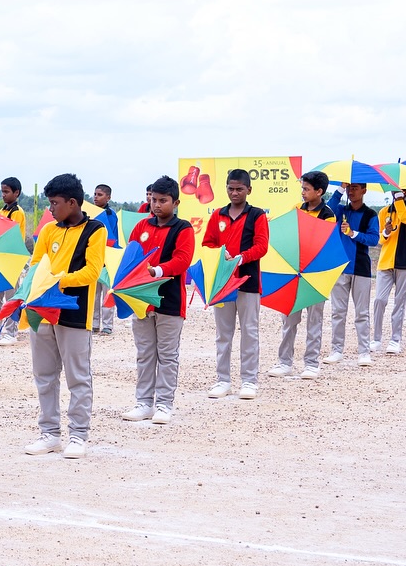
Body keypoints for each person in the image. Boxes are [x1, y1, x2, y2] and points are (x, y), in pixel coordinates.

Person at [23, 173, 106, 459]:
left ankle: (79, 435)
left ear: (72, 203)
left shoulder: (95, 230)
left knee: (78, 376)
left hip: (75, 313)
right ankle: (49, 433)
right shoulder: (48, 231)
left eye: (55, 203)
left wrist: (57, 281)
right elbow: (36, 264)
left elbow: (92, 272)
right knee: (44, 376)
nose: (51, 209)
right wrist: (33, 285)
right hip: (42, 311)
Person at [122, 176, 195, 424]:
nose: (156, 205)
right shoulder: (141, 227)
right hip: (141, 300)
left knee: (167, 355)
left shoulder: (183, 228)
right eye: (153, 199)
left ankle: (164, 404)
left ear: (175, 202)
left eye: (163, 201)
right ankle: (143, 402)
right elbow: (130, 256)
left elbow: (182, 260)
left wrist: (157, 271)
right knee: (144, 353)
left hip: (170, 299)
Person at [203, 169, 270, 398]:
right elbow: (207, 243)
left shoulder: (257, 215)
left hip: (248, 281)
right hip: (222, 283)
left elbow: (262, 246)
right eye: (231, 188)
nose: (234, 193)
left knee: (249, 331)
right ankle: (223, 379)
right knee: (223, 333)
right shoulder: (217, 216)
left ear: (249, 190)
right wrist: (220, 256)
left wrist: (240, 258)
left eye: (239, 189)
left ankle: (249, 381)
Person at [270, 171, 331, 379]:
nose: (303, 193)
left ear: (319, 191)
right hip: (294, 270)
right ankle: (284, 361)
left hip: (315, 272)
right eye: (302, 188)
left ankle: (311, 363)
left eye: (306, 189)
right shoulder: (297, 209)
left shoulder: (328, 214)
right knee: (288, 319)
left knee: (315, 320)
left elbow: (324, 243)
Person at [326, 183, 380, 366]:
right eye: (349, 188)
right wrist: (340, 188)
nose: (351, 191)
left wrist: (353, 233)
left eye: (355, 187)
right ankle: (336, 350)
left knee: (362, 313)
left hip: (361, 268)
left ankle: (364, 352)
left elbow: (374, 239)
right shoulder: (339, 211)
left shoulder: (371, 214)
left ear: (364, 190)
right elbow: (328, 208)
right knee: (338, 312)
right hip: (340, 267)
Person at [373, 191, 406, 354]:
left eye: (401, 190)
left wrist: (399, 200)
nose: (397, 192)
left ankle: (395, 339)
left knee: (399, 302)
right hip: (386, 262)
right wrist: (386, 232)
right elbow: (378, 239)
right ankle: (376, 339)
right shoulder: (384, 211)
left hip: (404, 262)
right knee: (379, 299)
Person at [0, 177, 29, 345]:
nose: (3, 195)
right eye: (2, 191)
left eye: (6, 191)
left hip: (11, 258)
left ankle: (11, 332)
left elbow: (11, 235)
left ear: (16, 193)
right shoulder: (2, 211)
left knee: (11, 297)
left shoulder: (17, 212)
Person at [91, 183, 119, 335]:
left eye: (99, 195)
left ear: (108, 197)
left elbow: (113, 237)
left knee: (107, 293)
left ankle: (107, 325)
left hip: (107, 258)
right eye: (94, 194)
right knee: (93, 295)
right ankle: (94, 323)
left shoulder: (110, 215)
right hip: (93, 258)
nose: (96, 197)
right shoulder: (88, 213)